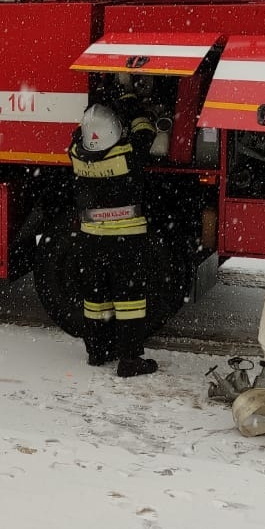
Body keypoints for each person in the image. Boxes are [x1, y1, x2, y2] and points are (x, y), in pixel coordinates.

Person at [68, 88, 160, 377]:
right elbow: (145, 129)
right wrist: (131, 103)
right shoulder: (128, 155)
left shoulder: (76, 156)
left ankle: (97, 351)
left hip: (89, 239)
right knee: (130, 300)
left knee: (96, 299)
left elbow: (78, 136)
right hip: (126, 241)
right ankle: (129, 360)